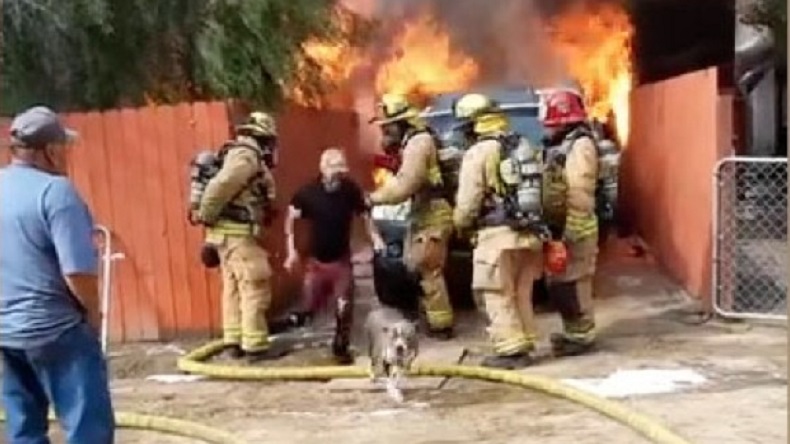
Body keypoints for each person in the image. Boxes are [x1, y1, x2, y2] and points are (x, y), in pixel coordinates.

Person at [0, 106, 115, 443]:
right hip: (57, 330)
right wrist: (93, 317)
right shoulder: (56, 192)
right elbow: (77, 271)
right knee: (87, 428)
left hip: (6, 334)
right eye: (63, 147)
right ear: (49, 151)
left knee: (25, 428)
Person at [452, 93, 545, 369]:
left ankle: (510, 351)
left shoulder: (477, 153)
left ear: (473, 125)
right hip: (529, 234)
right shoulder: (521, 144)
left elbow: (468, 203)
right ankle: (525, 341)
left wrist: (458, 224)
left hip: (496, 237)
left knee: (494, 292)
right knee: (520, 292)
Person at [196, 111, 286, 362]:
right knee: (255, 287)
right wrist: (206, 214)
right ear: (262, 137)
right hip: (238, 236)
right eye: (269, 140)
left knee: (234, 289)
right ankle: (255, 346)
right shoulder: (246, 155)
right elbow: (222, 185)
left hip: (227, 236)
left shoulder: (240, 153)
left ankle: (233, 342)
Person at [367, 93, 456, 340]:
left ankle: (442, 327)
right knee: (416, 264)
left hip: (434, 210)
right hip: (424, 210)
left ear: (402, 123)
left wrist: (373, 198)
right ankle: (431, 317)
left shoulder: (419, 142)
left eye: (388, 127)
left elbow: (406, 184)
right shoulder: (413, 142)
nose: (384, 131)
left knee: (427, 267)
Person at [283, 148, 384, 364]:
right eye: (334, 171)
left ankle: (341, 346)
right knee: (309, 308)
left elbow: (364, 214)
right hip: (317, 262)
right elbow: (291, 220)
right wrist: (291, 251)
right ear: (323, 169)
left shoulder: (350, 190)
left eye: (341, 171)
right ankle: (291, 325)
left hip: (341, 261)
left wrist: (375, 237)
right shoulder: (308, 193)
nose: (338, 175)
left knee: (344, 305)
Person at [539, 88, 600, 356]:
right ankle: (573, 332)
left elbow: (579, 188)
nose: (547, 128)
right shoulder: (564, 144)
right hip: (562, 226)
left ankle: (582, 337)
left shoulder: (581, 145)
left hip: (576, 226)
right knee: (561, 283)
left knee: (574, 283)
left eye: (551, 122)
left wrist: (570, 228)